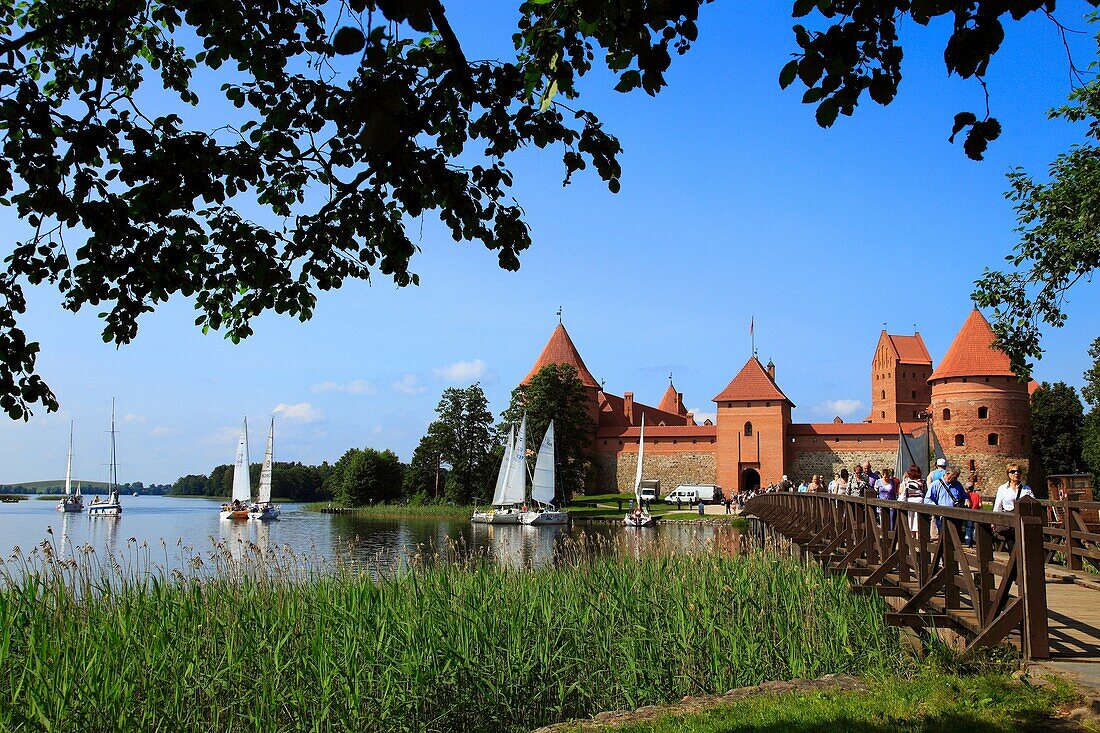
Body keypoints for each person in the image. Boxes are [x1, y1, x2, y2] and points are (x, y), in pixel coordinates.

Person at [924, 465, 967, 533]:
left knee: (956, 536)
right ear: (947, 474)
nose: (955, 479)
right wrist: (936, 509)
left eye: (956, 477)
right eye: (954, 477)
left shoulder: (958, 484)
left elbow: (964, 495)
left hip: (956, 515)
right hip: (942, 516)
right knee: (944, 535)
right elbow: (927, 499)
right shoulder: (935, 485)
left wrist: (966, 500)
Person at [901, 464, 926, 534]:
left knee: (911, 521)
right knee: (918, 521)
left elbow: (901, 491)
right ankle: (919, 539)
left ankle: (911, 539)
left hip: (910, 502)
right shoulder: (923, 482)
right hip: (920, 502)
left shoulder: (907, 482)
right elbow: (925, 492)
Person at [964, 473, 982, 548]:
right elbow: (980, 505)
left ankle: (968, 542)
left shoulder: (966, 496)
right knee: (975, 528)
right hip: (976, 513)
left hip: (968, 513)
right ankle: (976, 541)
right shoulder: (976, 495)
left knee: (968, 527)